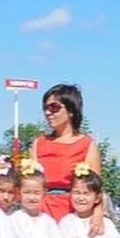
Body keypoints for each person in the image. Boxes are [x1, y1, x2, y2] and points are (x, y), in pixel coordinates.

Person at [32, 83, 103, 223]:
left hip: (73, 213)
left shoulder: (86, 144)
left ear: (71, 110)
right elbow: (30, 183)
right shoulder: (38, 143)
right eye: (45, 108)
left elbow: (95, 186)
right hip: (41, 213)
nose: (48, 113)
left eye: (54, 107)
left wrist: (98, 213)